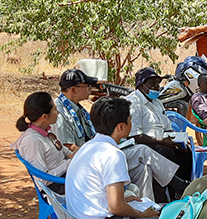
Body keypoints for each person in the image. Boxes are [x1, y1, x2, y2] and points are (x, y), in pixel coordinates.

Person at [53, 68, 186, 203]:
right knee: (143, 150)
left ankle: (148, 205)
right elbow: (68, 147)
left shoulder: (79, 109)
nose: (90, 88)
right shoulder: (60, 112)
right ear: (73, 90)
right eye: (87, 86)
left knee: (143, 168)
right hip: (87, 161)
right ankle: (177, 185)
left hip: (96, 151)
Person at [126, 67, 194, 185]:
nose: (157, 87)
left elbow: (167, 127)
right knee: (166, 152)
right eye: (152, 84)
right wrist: (162, 141)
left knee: (186, 153)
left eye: (158, 83)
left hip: (162, 141)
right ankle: (171, 189)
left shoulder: (157, 103)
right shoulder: (134, 103)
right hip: (143, 146)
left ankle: (184, 187)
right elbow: (135, 136)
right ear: (141, 85)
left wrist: (178, 141)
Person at [11, 92, 74, 192]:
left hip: (64, 177)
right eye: (54, 109)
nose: (57, 112)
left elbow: (66, 152)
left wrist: (77, 155)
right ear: (44, 116)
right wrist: (69, 163)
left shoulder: (46, 132)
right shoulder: (32, 141)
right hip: (55, 187)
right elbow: (43, 179)